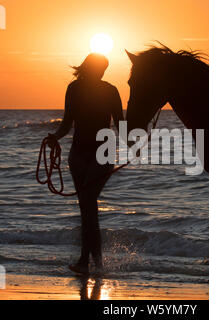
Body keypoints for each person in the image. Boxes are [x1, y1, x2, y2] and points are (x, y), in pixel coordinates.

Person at [49, 53, 124, 275]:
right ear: (89, 68)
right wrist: (55, 137)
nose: (102, 73)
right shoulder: (73, 89)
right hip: (78, 153)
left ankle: (87, 261)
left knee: (89, 203)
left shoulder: (110, 90)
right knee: (87, 208)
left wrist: (136, 139)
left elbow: (120, 123)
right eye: (99, 69)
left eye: (104, 69)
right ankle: (96, 263)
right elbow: (67, 122)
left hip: (103, 152)